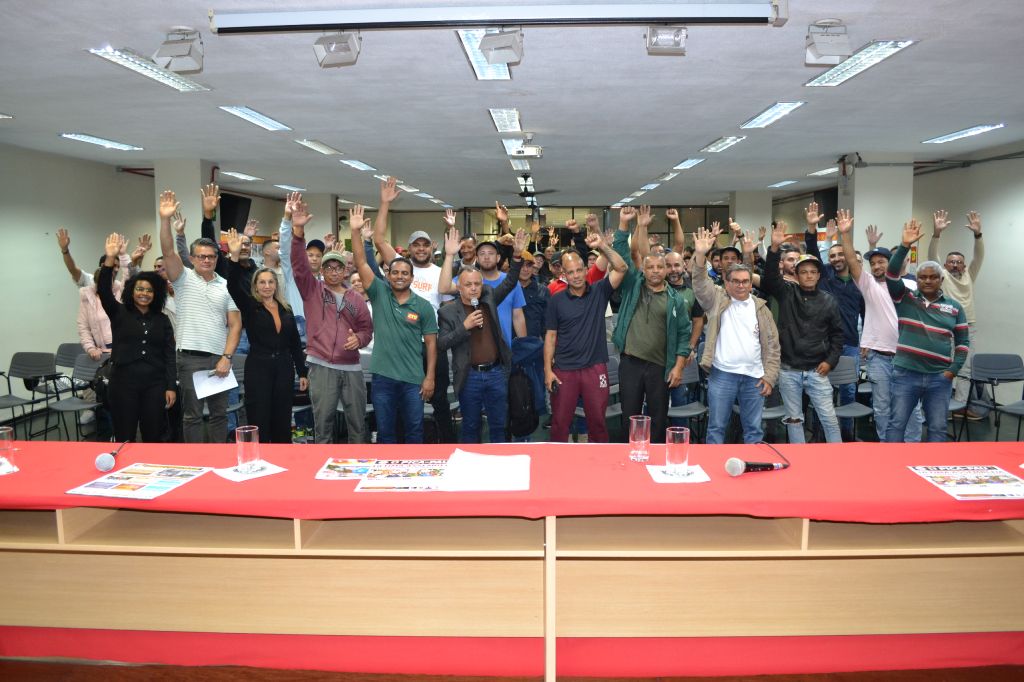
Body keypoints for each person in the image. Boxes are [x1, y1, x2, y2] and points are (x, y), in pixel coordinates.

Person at [157, 190, 242, 443]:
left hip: (219, 359)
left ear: (217, 258)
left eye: (211, 256)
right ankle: (195, 459)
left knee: (219, 415)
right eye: (201, 256)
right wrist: (165, 220)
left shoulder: (226, 285)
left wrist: (227, 357)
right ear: (192, 258)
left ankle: (217, 457)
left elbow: (235, 325)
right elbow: (167, 251)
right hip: (189, 359)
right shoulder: (182, 278)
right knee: (192, 416)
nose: (206, 260)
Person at [373, 177, 454, 442]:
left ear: (432, 248)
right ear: (409, 249)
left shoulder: (441, 272)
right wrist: (384, 204)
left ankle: (445, 446)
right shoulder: (400, 267)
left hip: (430, 343)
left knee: (438, 398)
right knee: (399, 403)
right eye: (416, 245)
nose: (420, 249)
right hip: (402, 346)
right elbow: (378, 238)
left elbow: (449, 305)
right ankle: (398, 450)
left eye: (425, 244)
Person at [287, 197, 373, 444]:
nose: (334, 272)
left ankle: (358, 463)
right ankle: (322, 464)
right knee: (323, 424)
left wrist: (359, 339)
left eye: (338, 268)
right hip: (322, 365)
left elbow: (367, 329)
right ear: (322, 271)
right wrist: (298, 232)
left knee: (357, 424)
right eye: (329, 268)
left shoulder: (356, 298)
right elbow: (299, 265)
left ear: (345, 271)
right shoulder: (312, 290)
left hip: (351, 367)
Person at [836, 215, 923, 442]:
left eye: (881, 262)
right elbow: (852, 261)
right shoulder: (869, 285)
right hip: (878, 359)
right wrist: (845, 234)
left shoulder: (911, 285)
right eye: (873, 263)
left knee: (912, 408)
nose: (876, 266)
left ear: (892, 262)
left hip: (907, 359)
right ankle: (887, 446)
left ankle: (913, 448)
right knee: (882, 408)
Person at [355, 205, 438, 444]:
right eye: (395, 272)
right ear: (388, 275)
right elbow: (361, 263)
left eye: (404, 273)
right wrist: (356, 232)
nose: (400, 276)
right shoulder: (379, 293)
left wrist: (429, 377)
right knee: (385, 432)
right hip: (383, 378)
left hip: (413, 379)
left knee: (415, 431)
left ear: (412, 277)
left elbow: (431, 345)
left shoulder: (423, 306)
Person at [691, 225, 780, 445]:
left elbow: (773, 346)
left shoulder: (761, 308)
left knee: (754, 430)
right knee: (716, 428)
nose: (741, 285)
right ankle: (714, 466)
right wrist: (701, 255)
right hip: (723, 375)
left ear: (751, 283)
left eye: (745, 281)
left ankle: (753, 464)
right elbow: (700, 284)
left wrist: (770, 376)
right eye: (736, 281)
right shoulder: (716, 300)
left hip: (755, 378)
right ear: (726, 282)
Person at [611, 206, 692, 444]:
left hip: (660, 366)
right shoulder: (632, 286)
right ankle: (630, 453)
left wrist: (678, 368)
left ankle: (655, 456)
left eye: (660, 267)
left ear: (666, 270)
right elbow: (623, 253)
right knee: (630, 415)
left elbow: (684, 335)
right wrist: (625, 224)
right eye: (650, 267)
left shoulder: (675, 299)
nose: (655, 271)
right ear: (643, 270)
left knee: (658, 417)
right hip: (631, 363)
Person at [439, 228, 528, 443]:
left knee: (499, 424)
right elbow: (442, 343)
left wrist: (517, 256)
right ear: (459, 288)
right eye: (468, 285)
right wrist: (464, 327)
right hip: (469, 375)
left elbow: (510, 282)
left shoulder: (489, 299)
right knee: (471, 426)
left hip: (496, 373)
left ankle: (498, 459)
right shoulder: (448, 311)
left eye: (477, 284)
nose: (473, 289)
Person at [885, 219, 969, 442]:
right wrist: (905, 246)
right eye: (923, 277)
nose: (928, 281)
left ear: (941, 279)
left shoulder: (954, 307)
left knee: (938, 428)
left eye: (933, 277)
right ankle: (889, 462)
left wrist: (952, 371)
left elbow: (963, 343)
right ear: (917, 280)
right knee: (896, 424)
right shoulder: (905, 298)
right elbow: (891, 275)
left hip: (939, 377)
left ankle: (934, 464)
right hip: (906, 374)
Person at [761, 221, 844, 444]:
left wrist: (830, 361)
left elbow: (837, 336)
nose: (808, 276)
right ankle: (798, 458)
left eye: (813, 272)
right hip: (789, 370)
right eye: (804, 272)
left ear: (818, 275)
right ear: (796, 275)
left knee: (829, 418)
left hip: (818, 371)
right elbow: (769, 279)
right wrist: (774, 249)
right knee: (794, 419)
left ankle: (839, 457)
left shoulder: (829, 301)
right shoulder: (787, 293)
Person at [223, 228, 309, 444]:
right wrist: (234, 258)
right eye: (262, 282)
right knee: (260, 417)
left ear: (276, 285)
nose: (267, 286)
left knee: (282, 417)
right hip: (259, 368)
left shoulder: (286, 309)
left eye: (271, 282)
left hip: (284, 368)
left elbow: (295, 344)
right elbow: (232, 284)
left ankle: (282, 455)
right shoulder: (250, 306)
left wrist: (302, 372)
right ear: (255, 286)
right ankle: (259, 457)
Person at [544, 224, 628, 443]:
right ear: (564, 275)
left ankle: (599, 461)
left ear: (584, 270)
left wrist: (603, 247)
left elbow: (621, 268)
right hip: (564, 369)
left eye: (579, 270)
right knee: (560, 423)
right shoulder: (556, 300)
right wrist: (547, 371)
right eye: (570, 272)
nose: (576, 276)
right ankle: (556, 460)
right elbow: (550, 337)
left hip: (594, 368)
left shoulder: (599, 291)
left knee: (598, 422)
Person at [96, 233, 176, 443]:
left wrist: (170, 386)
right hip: (123, 384)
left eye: (149, 291)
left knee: (153, 435)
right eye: (140, 289)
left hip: (155, 385)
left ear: (156, 294)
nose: (144, 293)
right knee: (125, 434)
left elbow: (169, 356)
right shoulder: (118, 312)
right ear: (131, 291)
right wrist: (110, 258)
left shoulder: (162, 320)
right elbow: (103, 290)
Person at [804, 203, 865, 440]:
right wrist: (812, 228)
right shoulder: (825, 277)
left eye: (841, 254)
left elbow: (866, 315)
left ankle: (847, 434)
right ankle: (820, 436)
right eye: (832, 256)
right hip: (823, 345)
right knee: (821, 393)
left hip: (850, 344)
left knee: (849, 391)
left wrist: (866, 342)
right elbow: (812, 251)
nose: (837, 258)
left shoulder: (860, 285)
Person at [928, 209, 985, 417]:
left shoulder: (970, 275)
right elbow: (932, 256)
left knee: (966, 368)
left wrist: (978, 235)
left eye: (958, 262)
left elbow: (979, 256)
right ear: (945, 265)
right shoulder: (942, 275)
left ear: (964, 265)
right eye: (951, 261)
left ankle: (960, 405)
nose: (955, 264)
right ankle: (941, 403)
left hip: (968, 327)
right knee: (943, 365)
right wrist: (936, 234)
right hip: (946, 326)